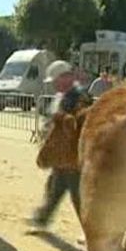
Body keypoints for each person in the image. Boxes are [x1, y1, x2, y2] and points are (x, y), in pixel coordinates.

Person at [29, 60, 93, 228]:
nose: (54, 85)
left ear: (66, 77)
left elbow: (81, 124)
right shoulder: (63, 96)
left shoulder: (80, 96)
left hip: (73, 155)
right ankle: (42, 218)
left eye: (56, 81)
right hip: (62, 155)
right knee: (55, 186)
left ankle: (91, 229)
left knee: (78, 195)